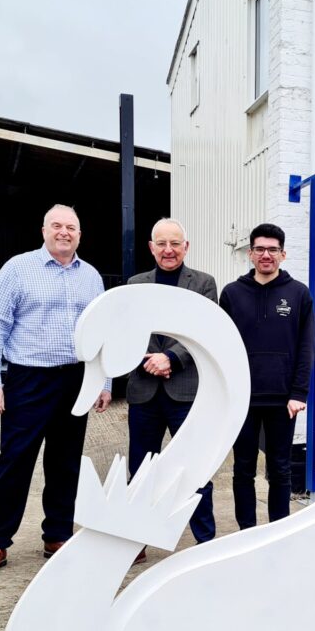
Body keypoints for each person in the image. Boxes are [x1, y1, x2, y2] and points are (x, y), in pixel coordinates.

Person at [0, 205, 111, 576]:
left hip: (76, 379)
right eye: (57, 226)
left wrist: (104, 381)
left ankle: (57, 536)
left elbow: (101, 333)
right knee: (15, 460)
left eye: (71, 227)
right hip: (28, 380)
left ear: (80, 235)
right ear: (44, 230)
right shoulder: (17, 269)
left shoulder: (92, 277)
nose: (64, 232)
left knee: (65, 463)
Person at [126, 218, 218, 562]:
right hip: (144, 392)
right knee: (141, 469)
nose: (168, 250)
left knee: (196, 468)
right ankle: (136, 540)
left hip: (186, 392)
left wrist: (171, 358)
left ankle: (205, 540)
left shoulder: (204, 284)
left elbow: (207, 331)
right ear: (151, 247)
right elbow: (128, 332)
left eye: (175, 243)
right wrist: (149, 359)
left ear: (186, 247)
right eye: (161, 243)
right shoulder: (135, 285)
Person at [219, 223, 314, 526]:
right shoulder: (232, 294)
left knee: (280, 469)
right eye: (260, 249)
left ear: (283, 254)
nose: (266, 255)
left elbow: (306, 347)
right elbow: (223, 347)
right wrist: (227, 393)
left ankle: (278, 532)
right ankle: (247, 534)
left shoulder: (299, 294)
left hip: (283, 399)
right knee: (243, 469)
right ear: (250, 253)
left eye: (273, 249)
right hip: (242, 397)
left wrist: (299, 393)